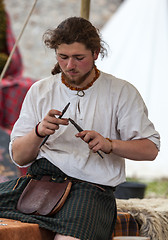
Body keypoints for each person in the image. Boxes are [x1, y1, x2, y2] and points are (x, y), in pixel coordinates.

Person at [0, 17, 160, 240]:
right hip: (39, 185)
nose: (69, 66)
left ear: (95, 53)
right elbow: (19, 157)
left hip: (91, 190)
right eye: (63, 57)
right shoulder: (40, 90)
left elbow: (150, 149)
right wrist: (38, 132)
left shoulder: (121, 92)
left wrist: (110, 144)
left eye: (79, 58)